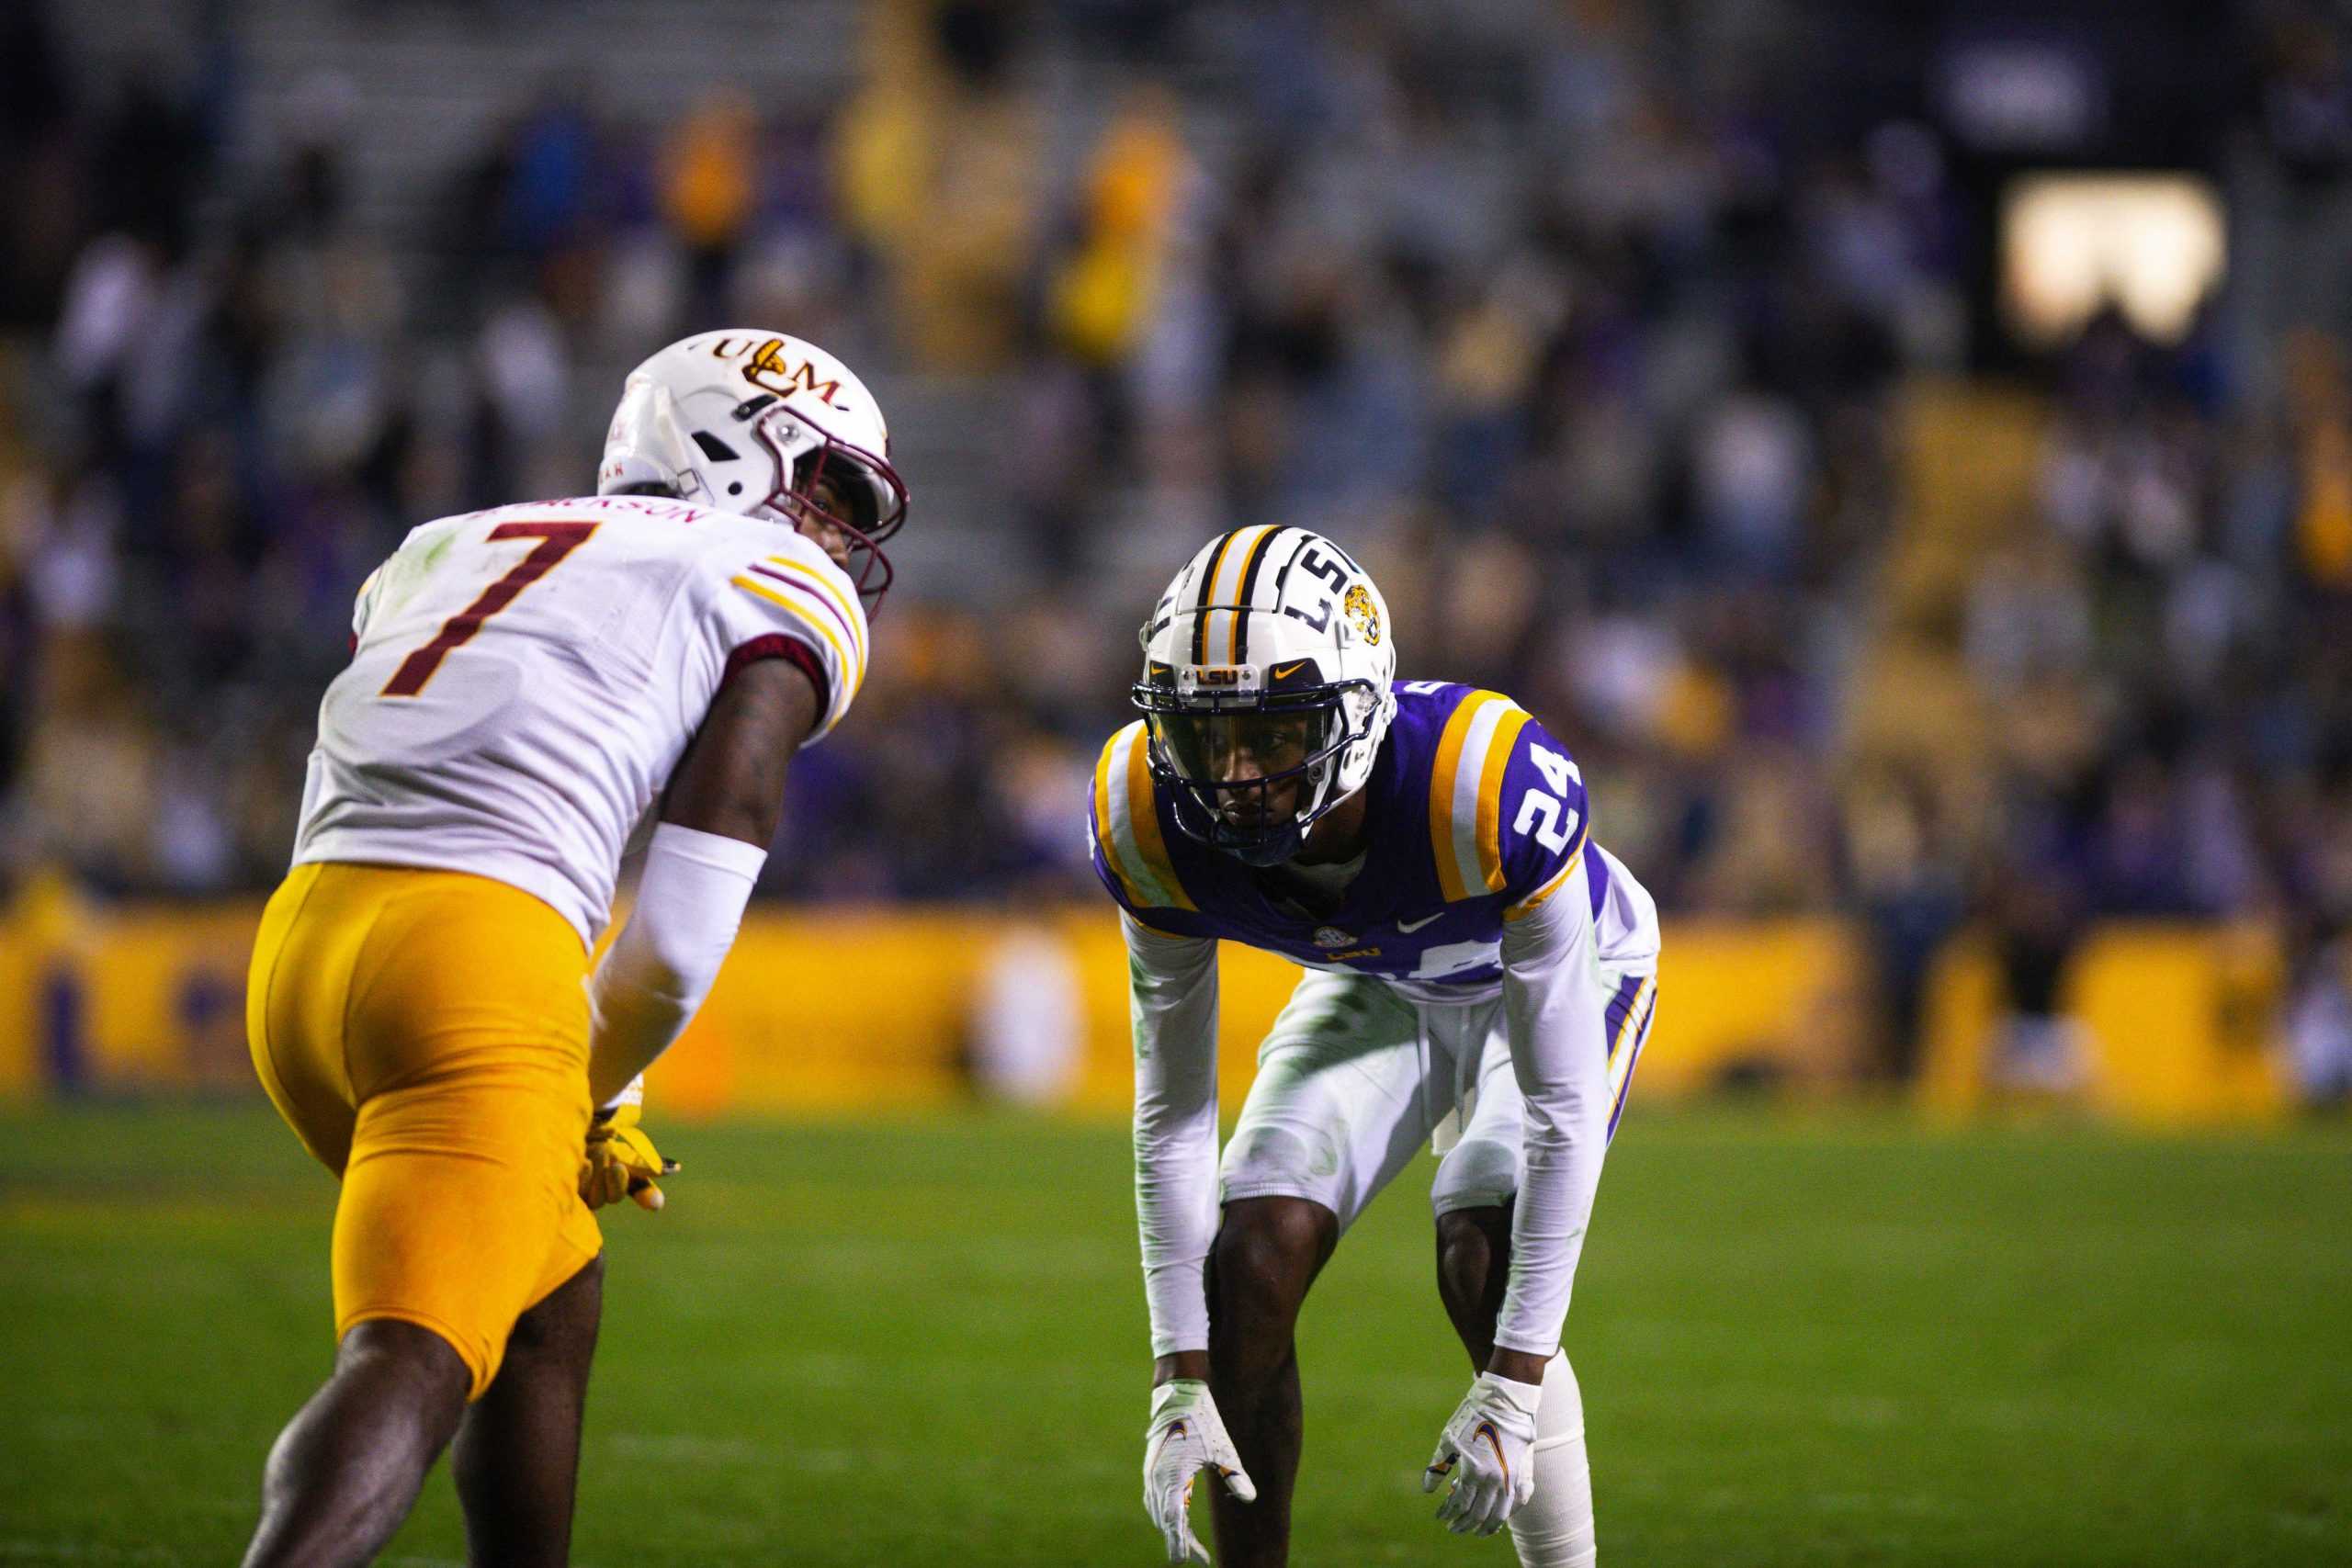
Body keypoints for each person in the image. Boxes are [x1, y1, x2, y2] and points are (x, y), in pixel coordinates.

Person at [239, 329, 906, 1567]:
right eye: (822, 483)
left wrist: (591, 1084)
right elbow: (681, 926)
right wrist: (589, 1089)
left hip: (301, 942)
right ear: (722, 441)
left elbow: (511, 775)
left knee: (548, 1294)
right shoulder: (764, 572)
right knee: (417, 1351)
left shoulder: (448, 541)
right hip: (475, 965)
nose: (833, 529)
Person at [1088, 527, 1659, 1568]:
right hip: (1382, 977)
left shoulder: (1478, 779)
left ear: (1355, 710)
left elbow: (1561, 1109)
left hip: (1556, 976)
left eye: (1271, 731)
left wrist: (1514, 1385)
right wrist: (1179, 1373)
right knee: (1248, 1258)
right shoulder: (1144, 812)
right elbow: (1172, 1116)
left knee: (1478, 1245)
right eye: (1205, 736)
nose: (1237, 774)